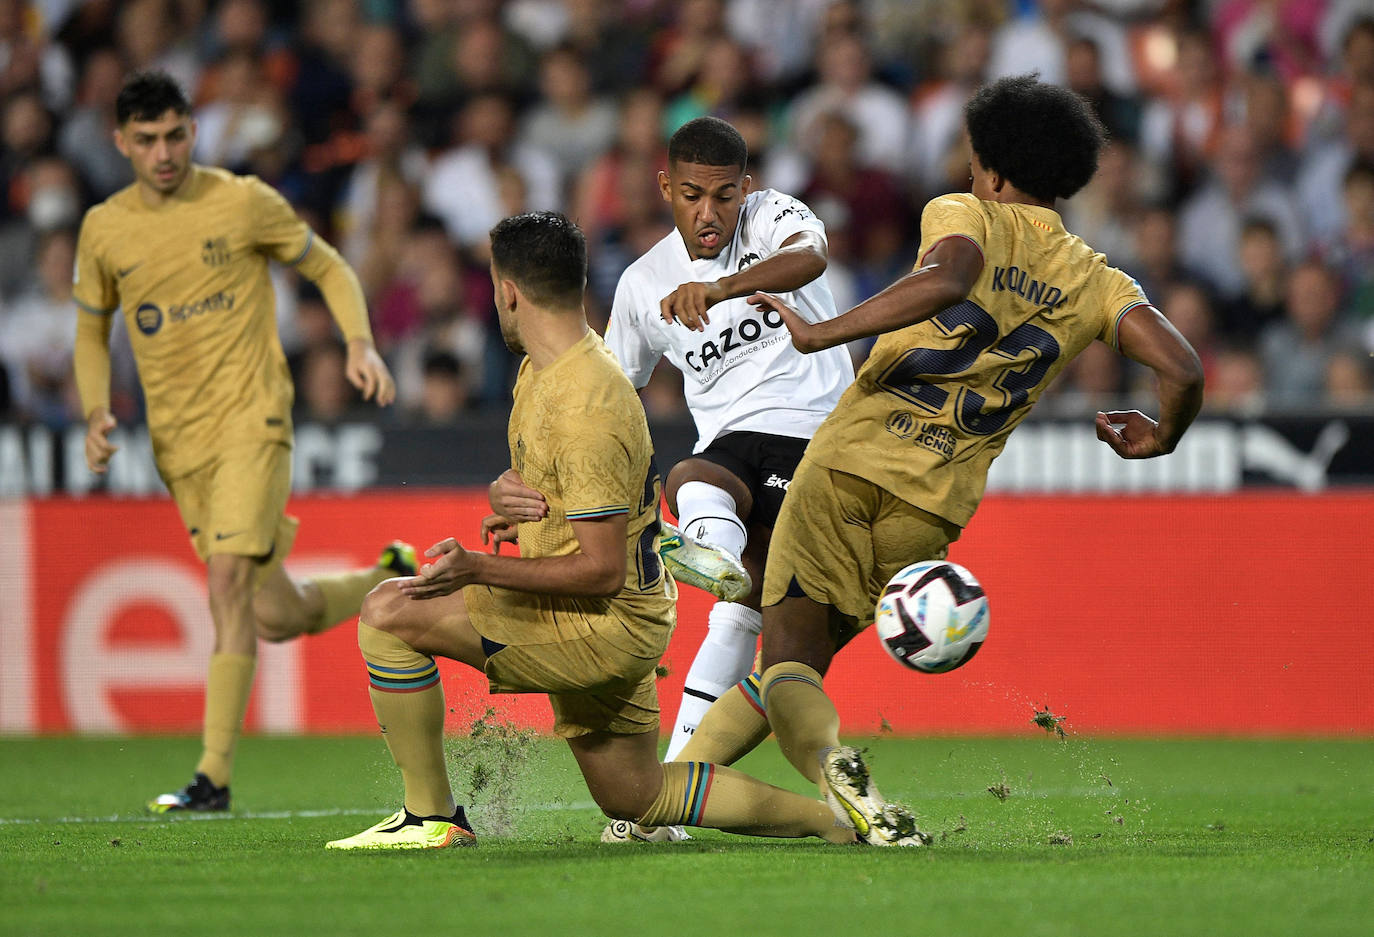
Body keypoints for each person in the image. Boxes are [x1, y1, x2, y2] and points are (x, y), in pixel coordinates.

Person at [686, 75, 1206, 845]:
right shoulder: (1099, 281)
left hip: (847, 467)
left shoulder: (965, 214)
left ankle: (837, 773)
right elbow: (1185, 369)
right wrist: (1163, 433)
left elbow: (950, 276)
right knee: (796, 665)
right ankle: (668, 799)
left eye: (971, 162)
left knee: (789, 658)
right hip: (930, 511)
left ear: (992, 172)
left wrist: (826, 333)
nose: (967, 175)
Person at [326, 212, 860, 850]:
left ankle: (428, 816)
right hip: (622, 614)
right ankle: (836, 821)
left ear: (507, 291)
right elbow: (566, 482)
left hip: (592, 621)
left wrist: (478, 567)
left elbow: (599, 568)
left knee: (387, 611)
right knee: (638, 796)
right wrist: (509, 493)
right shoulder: (549, 369)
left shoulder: (586, 400)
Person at [72, 71, 414, 813]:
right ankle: (389, 574)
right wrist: (97, 409)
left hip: (252, 420)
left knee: (224, 580)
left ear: (193, 132)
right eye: (146, 140)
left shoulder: (241, 201)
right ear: (121, 142)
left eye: (174, 136)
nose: (163, 153)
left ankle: (212, 775)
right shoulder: (105, 228)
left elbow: (325, 262)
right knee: (274, 615)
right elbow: (92, 327)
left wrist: (359, 341)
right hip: (178, 446)